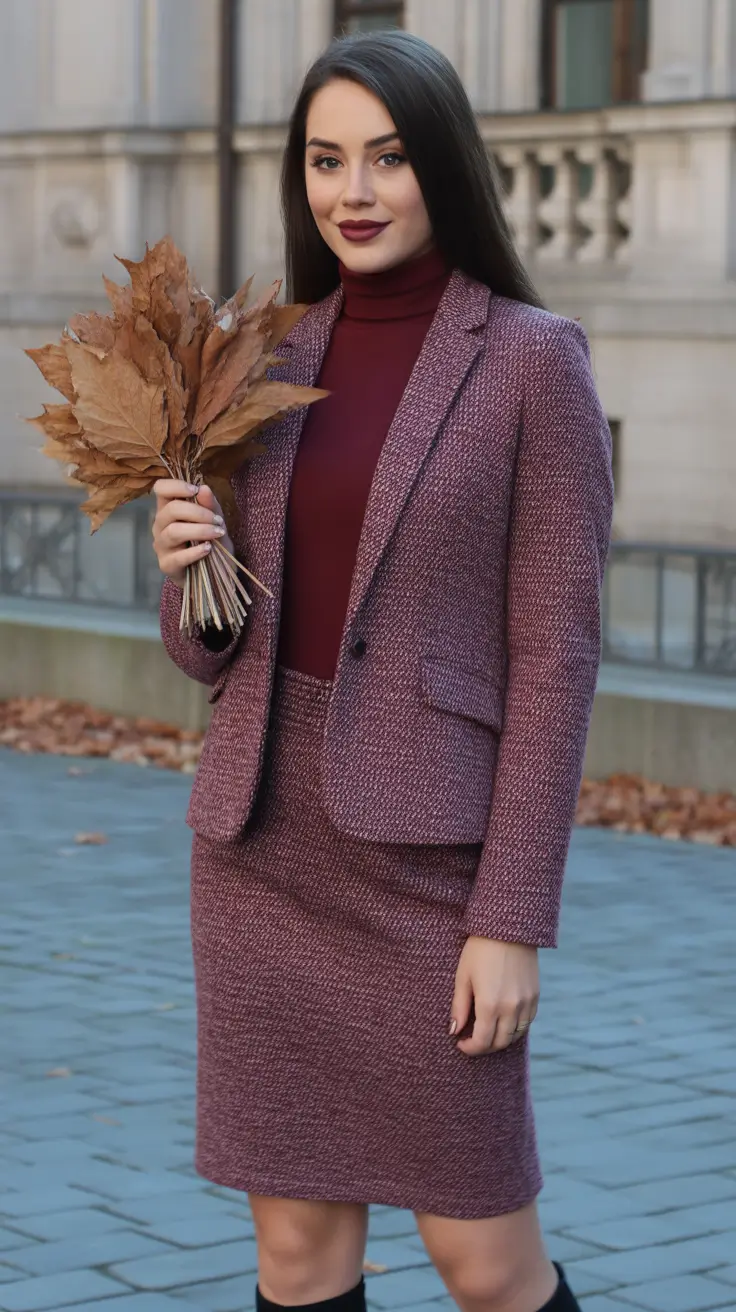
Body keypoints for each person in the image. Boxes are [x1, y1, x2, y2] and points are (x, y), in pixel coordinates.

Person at [152, 29, 613, 1312]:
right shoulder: (259, 359)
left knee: (485, 1262)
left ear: (442, 166)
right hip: (260, 853)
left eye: (388, 157)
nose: (352, 191)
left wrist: (510, 920)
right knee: (297, 1257)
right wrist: (187, 564)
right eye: (324, 160)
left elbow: (556, 657)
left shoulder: (532, 359)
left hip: (429, 870)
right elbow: (205, 652)